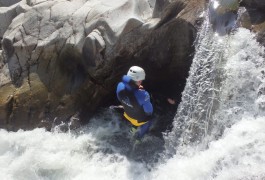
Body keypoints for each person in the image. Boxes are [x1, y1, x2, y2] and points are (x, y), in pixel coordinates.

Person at [116, 66, 153, 141]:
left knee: (135, 111)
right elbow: (149, 112)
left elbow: (124, 98)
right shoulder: (144, 95)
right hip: (138, 119)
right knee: (149, 121)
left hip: (127, 114)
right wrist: (142, 93)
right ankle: (139, 138)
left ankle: (134, 128)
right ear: (139, 81)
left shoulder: (119, 86)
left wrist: (137, 90)